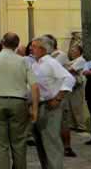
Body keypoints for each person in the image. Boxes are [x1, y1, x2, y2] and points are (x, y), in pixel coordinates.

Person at [0, 32, 39, 169]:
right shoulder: (24, 61)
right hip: (18, 102)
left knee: (0, 144)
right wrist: (34, 109)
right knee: (19, 142)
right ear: (17, 45)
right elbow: (35, 86)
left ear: (2, 43)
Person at [31, 35, 75, 169]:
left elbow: (69, 78)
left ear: (43, 49)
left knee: (51, 141)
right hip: (39, 105)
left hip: (50, 105)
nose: (31, 49)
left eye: (34, 47)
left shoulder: (50, 62)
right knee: (40, 142)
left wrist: (58, 98)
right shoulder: (36, 63)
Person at [62, 44, 87, 157]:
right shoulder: (73, 60)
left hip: (77, 85)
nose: (72, 52)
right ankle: (74, 124)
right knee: (71, 105)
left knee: (77, 105)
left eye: (74, 50)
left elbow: (71, 70)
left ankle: (81, 126)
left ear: (79, 51)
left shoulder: (81, 60)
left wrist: (65, 68)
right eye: (71, 50)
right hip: (71, 85)